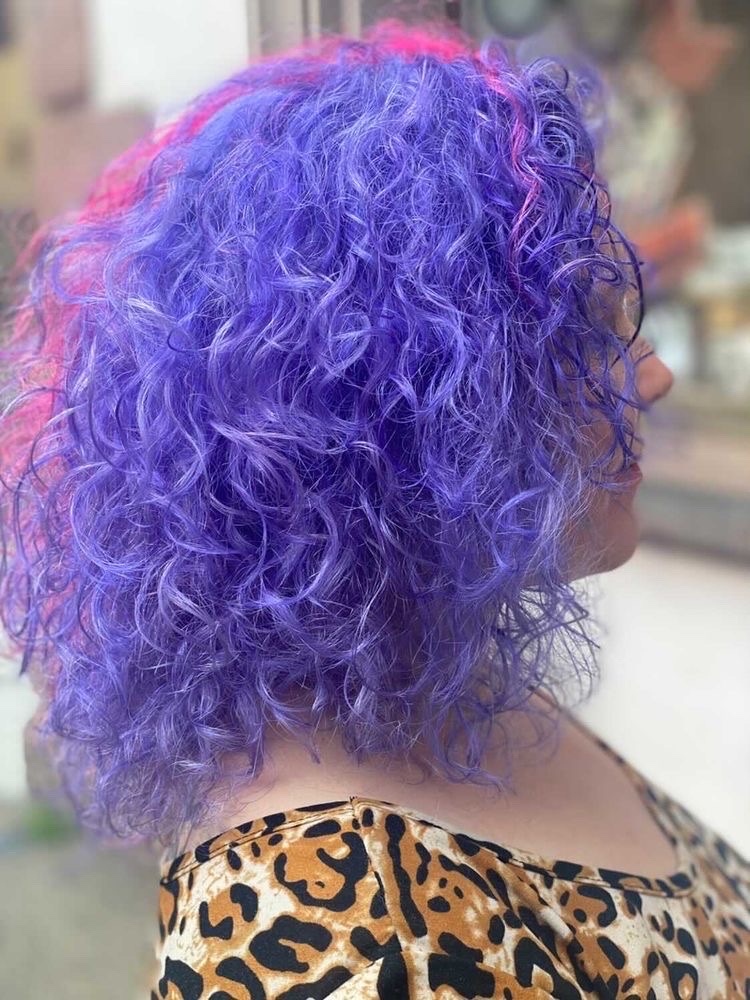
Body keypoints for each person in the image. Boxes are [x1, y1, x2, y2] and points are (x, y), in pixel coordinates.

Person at [0, 17, 747, 999]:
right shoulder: (327, 937)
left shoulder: (439, 691)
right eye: (587, 342)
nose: (649, 376)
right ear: (399, 418)